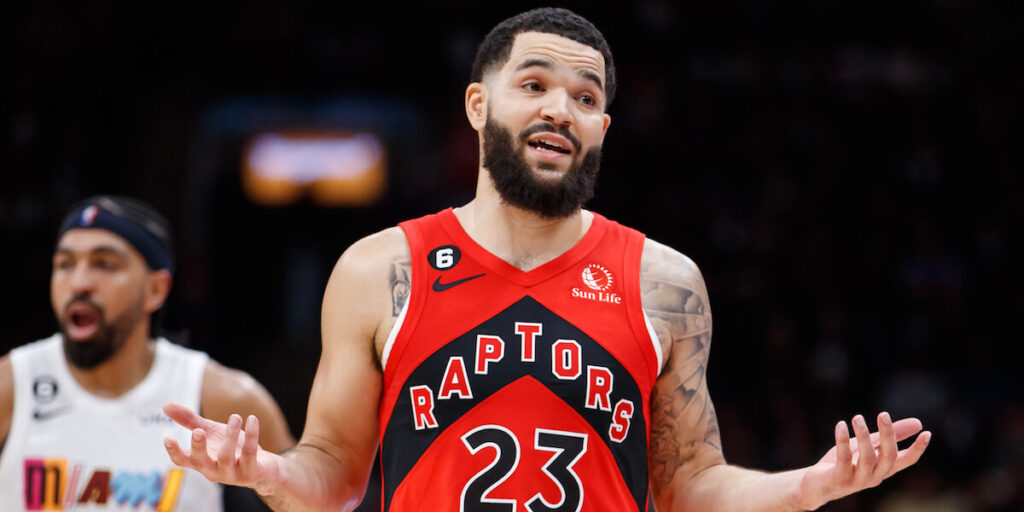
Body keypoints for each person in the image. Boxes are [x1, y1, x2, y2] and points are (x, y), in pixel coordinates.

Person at [162, 7, 931, 511]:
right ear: (478, 105)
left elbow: (691, 485)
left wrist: (810, 486)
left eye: (586, 98)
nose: (561, 109)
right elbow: (333, 474)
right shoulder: (379, 270)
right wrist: (266, 472)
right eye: (534, 84)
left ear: (602, 129)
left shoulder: (664, 282)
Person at [0, 196, 294, 511]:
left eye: (104, 264)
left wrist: (273, 487)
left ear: (156, 290)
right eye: (65, 265)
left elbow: (307, 501)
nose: (79, 283)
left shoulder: (224, 397)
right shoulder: (11, 385)